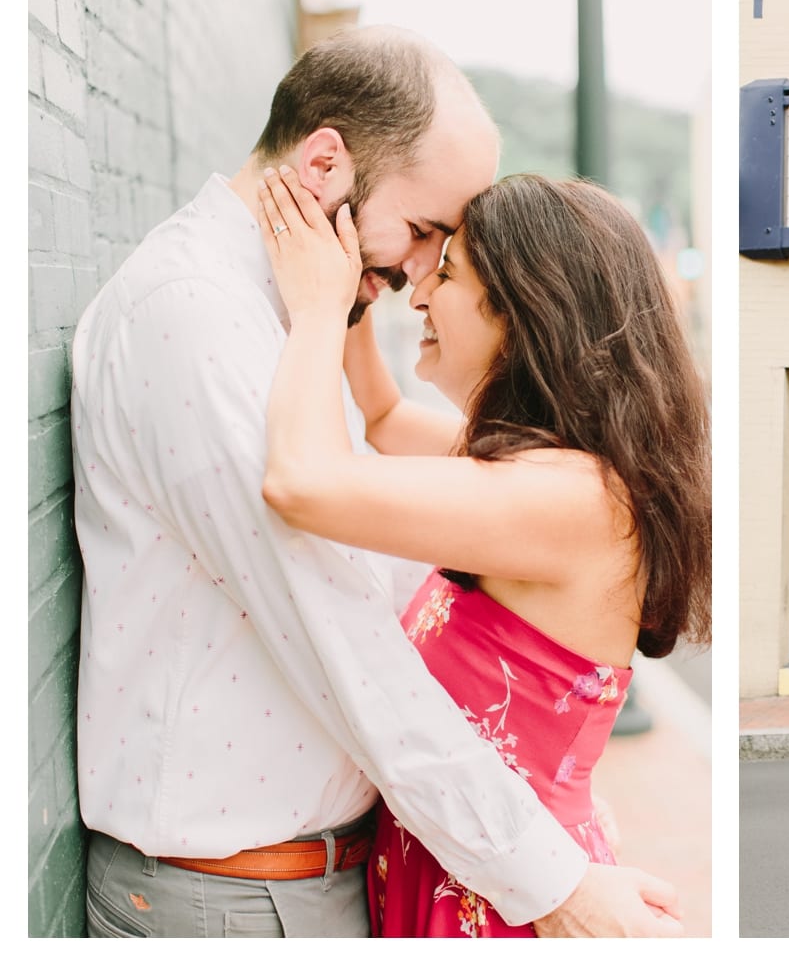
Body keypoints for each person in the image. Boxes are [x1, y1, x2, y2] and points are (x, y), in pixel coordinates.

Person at [72, 26, 684, 937]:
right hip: (237, 900)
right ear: (325, 162)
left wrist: (332, 302)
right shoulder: (195, 319)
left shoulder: (284, 317)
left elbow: (354, 508)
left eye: (447, 260)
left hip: (324, 883)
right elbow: (342, 643)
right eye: (426, 231)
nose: (414, 278)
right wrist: (555, 880)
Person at [256, 167, 710, 936]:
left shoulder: (570, 496)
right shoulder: (545, 468)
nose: (421, 293)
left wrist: (314, 305)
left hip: (505, 902)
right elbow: (386, 416)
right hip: (475, 875)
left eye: (447, 274)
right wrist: (364, 274)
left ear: (526, 309)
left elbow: (303, 481)